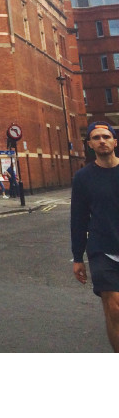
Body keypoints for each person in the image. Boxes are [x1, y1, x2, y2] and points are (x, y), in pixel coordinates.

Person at [70, 121, 119, 352]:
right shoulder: (83, 178)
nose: (102, 141)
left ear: (115, 141)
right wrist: (77, 257)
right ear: (90, 144)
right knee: (115, 309)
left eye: (106, 136)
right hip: (102, 249)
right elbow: (78, 218)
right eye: (96, 138)